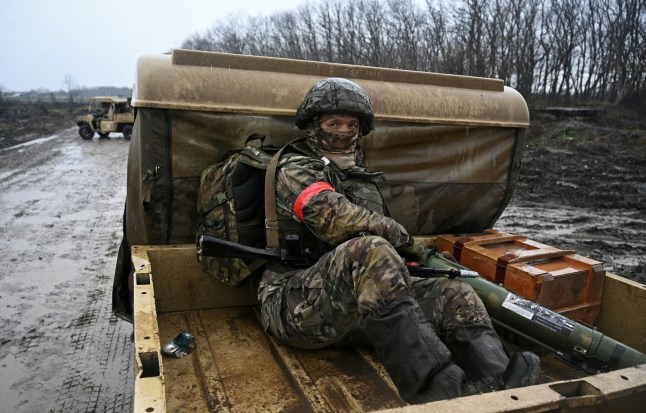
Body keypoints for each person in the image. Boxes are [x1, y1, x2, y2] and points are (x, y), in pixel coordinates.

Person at [258, 77, 540, 404]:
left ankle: (503, 385)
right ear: (312, 126)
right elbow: (334, 219)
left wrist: (413, 258)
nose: (343, 131)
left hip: (352, 310)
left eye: (352, 124)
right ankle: (441, 396)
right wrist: (399, 236)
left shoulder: (356, 177)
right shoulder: (296, 168)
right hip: (294, 305)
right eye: (333, 123)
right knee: (371, 251)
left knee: (452, 291)